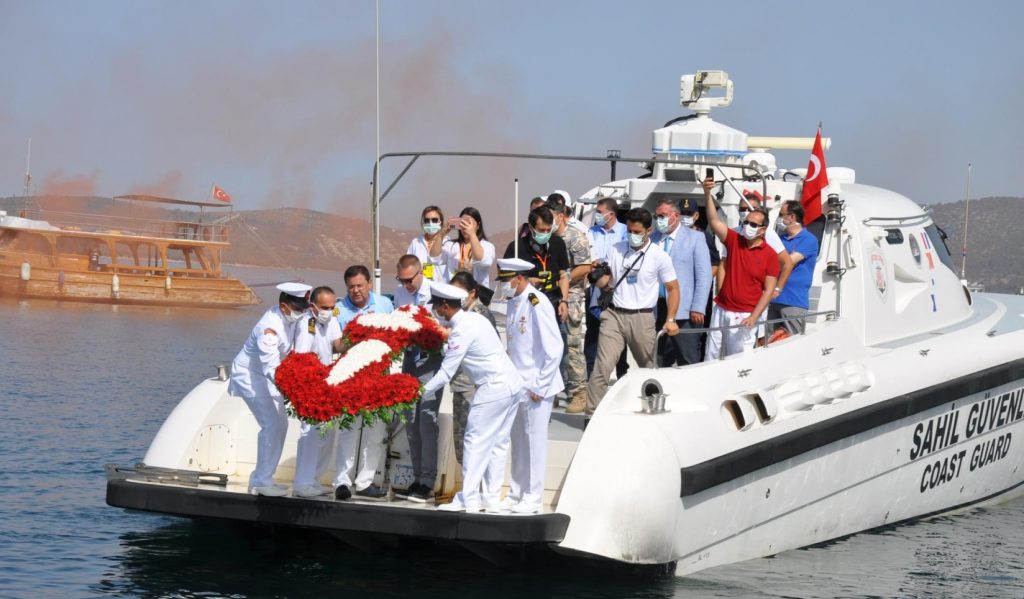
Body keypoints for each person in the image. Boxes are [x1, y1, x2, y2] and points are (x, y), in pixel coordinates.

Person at [424, 283, 523, 513]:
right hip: (512, 384)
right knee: (498, 443)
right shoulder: (476, 319)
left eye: (437, 307)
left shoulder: (461, 330)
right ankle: (490, 498)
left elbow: (446, 373)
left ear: (445, 306)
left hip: (493, 388)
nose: (436, 311)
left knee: (474, 442)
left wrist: (418, 392)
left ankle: (467, 500)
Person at [586, 208, 680, 416]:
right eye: (629, 230)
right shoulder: (616, 249)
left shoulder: (659, 256)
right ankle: (592, 415)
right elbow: (607, 282)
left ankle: (656, 409)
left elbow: (673, 288)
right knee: (602, 367)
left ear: (648, 230)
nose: (632, 235)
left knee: (649, 368)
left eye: (637, 231)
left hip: (642, 316)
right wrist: (597, 276)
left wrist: (670, 319)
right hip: (614, 314)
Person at [227, 282, 311, 496]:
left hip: (268, 374)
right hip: (251, 375)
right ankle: (260, 482)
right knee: (271, 425)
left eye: (304, 308)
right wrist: (296, 392)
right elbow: (272, 370)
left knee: (280, 425)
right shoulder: (269, 330)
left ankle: (264, 478)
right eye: (298, 309)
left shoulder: (293, 317)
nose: (302, 313)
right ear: (284, 307)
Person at [498, 258, 564, 513]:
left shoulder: (537, 302)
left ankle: (533, 497)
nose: (503, 285)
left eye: (506, 280)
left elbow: (554, 347)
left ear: (519, 278)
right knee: (518, 441)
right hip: (518, 385)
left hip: (537, 385)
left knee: (535, 442)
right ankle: (517, 492)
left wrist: (541, 384)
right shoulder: (515, 302)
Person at [333, 265, 395, 500]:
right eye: (351, 287)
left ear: (369, 283)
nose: (356, 291)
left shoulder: (385, 305)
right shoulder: (339, 310)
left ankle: (365, 481)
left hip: (380, 377)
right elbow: (334, 344)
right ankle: (342, 482)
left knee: (376, 431)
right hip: (351, 377)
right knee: (349, 431)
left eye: (360, 285)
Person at [702, 178, 780, 359]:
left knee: (738, 360)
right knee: (711, 356)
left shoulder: (770, 254)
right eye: (746, 223)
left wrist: (754, 317)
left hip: (745, 314)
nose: (748, 226)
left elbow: (768, 291)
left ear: (763, 229)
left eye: (753, 224)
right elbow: (713, 220)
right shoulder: (734, 240)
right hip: (721, 309)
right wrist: (707, 194)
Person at [393, 254, 441, 503]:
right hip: (409, 359)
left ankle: (428, 480)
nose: (406, 285)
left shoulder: (435, 291)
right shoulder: (400, 294)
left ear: (420, 272)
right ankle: (417, 476)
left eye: (409, 280)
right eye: (401, 281)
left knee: (426, 420)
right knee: (410, 421)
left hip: (431, 359)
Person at [291, 286, 346, 499]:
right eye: (324, 307)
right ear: (312, 306)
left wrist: (358, 339)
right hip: (310, 385)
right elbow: (301, 358)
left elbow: (338, 345)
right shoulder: (306, 325)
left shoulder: (331, 321)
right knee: (310, 434)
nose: (329, 311)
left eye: (332, 307)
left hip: (327, 384)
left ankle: (314, 479)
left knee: (327, 434)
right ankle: (302, 483)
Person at [546, 194, 593, 414]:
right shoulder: (546, 239)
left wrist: (562, 278)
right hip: (549, 297)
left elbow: (585, 267)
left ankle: (578, 393)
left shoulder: (576, 237)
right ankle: (551, 391)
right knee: (549, 347)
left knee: (572, 347)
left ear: (561, 216)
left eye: (552, 216)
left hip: (571, 298)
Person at [651, 198, 712, 366]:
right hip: (656, 307)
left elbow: (704, 275)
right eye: (656, 216)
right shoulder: (652, 239)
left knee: (687, 357)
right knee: (659, 357)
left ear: (675, 215)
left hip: (685, 309)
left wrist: (698, 307)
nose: (658, 219)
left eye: (662, 215)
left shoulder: (695, 238)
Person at [448, 271, 497, 467]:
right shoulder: (461, 314)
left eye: (459, 293)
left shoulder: (480, 314)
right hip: (461, 385)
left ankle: (476, 490)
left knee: (473, 440)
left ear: (472, 293)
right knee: (460, 442)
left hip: (474, 386)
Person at [585, 197, 629, 381]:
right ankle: (590, 376)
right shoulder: (591, 232)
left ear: (611, 214)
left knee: (619, 334)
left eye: (600, 211)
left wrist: (604, 263)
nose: (597, 215)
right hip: (594, 288)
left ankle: (621, 377)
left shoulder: (625, 232)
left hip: (615, 289)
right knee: (593, 332)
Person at [503, 206, 570, 320]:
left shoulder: (558, 243)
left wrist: (564, 300)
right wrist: (526, 282)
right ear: (530, 227)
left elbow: (563, 276)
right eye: (541, 230)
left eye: (548, 230)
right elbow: (505, 284)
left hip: (552, 307)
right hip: (525, 310)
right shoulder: (516, 248)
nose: (545, 234)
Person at [769, 201, 819, 335]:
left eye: (781, 215)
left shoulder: (809, 239)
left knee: (791, 342)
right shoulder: (779, 239)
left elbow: (788, 263)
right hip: (772, 299)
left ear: (791, 217)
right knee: (766, 344)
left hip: (793, 301)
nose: (779, 218)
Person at [443, 207, 496, 289]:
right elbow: (433, 257)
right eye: (462, 223)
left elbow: (482, 261)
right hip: (455, 292)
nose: (465, 227)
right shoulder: (451, 245)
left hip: (477, 295)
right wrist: (443, 232)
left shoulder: (487, 246)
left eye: (468, 223)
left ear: (478, 225)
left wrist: (472, 234)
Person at [407, 205, 454, 284]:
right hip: (421, 288)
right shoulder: (416, 242)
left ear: (441, 222)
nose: (430, 223)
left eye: (434, 220)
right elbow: (408, 265)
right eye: (427, 220)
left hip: (442, 289)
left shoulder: (448, 243)